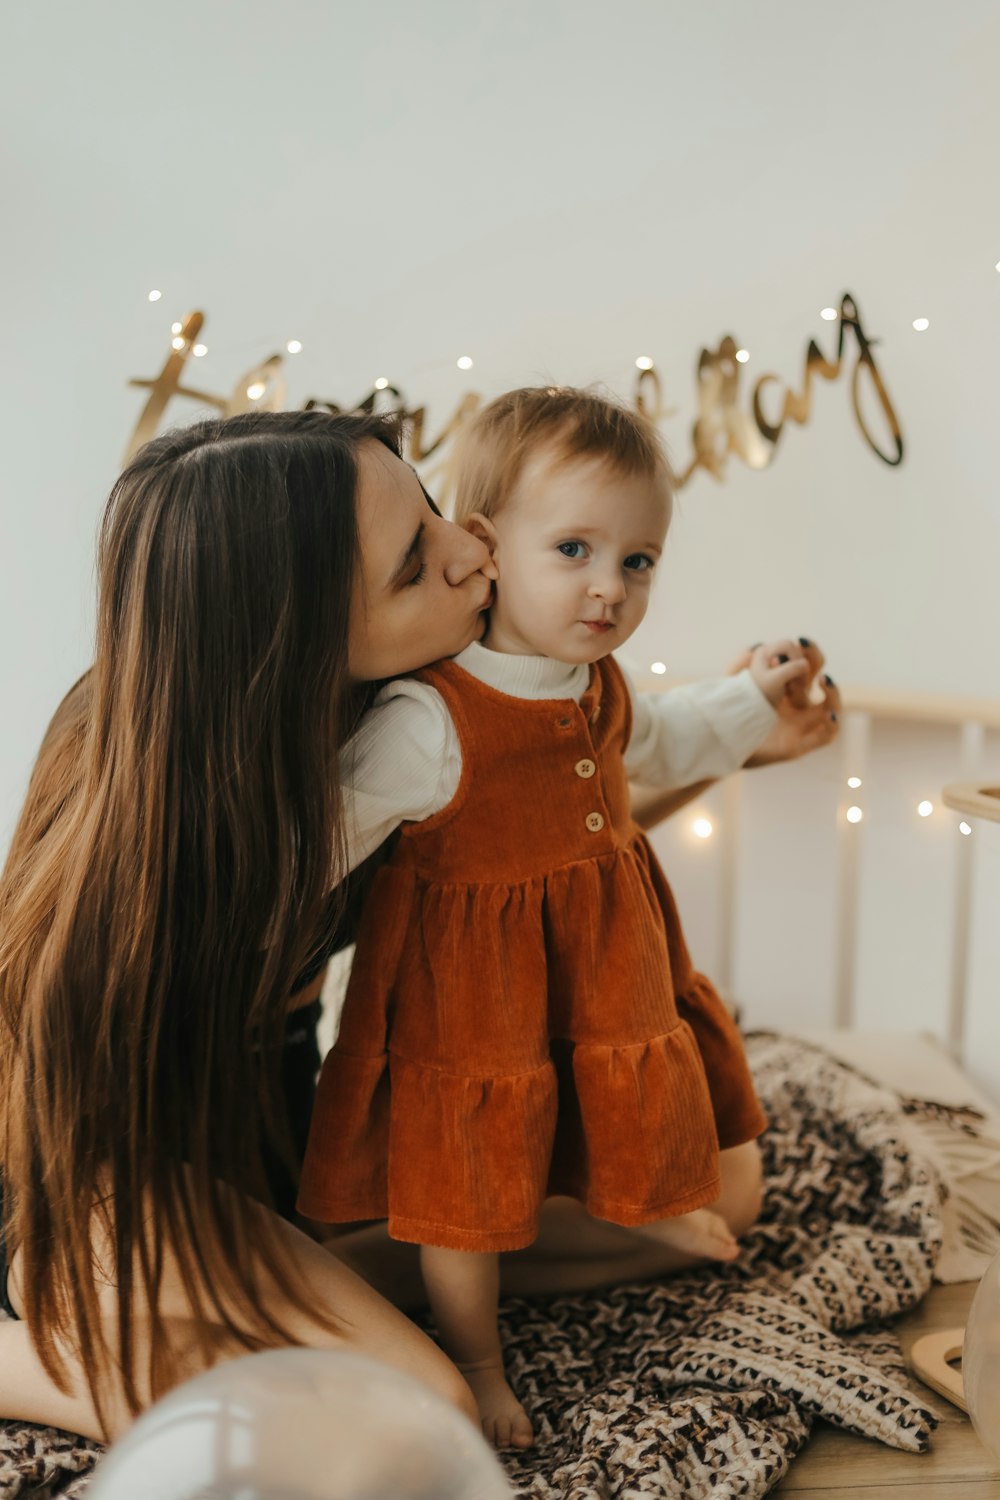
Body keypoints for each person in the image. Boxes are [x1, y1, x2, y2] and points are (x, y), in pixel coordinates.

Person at [295, 387, 829, 1450]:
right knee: (470, 1183)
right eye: (575, 548)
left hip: (584, 990)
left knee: (641, 1158)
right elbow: (321, 834)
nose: (609, 587)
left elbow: (664, 739)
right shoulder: (429, 715)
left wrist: (752, 704)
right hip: (472, 1011)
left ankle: (599, 1227)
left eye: (637, 561)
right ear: (487, 547)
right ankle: (477, 1360)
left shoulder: (591, 683)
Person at [0, 409, 500, 1442]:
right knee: (426, 1404)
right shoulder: (154, 807)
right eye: (415, 565)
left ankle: (257, 1287)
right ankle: (33, 1349)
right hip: (90, 1183)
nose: (471, 548)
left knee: (687, 1208)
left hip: (262, 1149)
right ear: (294, 635)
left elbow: (531, 869)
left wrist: (737, 749)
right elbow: (61, 1129)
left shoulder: (393, 722)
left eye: (436, 508)